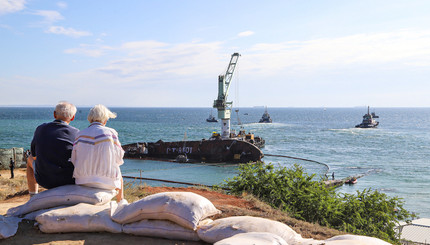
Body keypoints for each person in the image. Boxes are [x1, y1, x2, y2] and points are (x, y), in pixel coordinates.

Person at [71, 104, 124, 202]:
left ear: (90, 118)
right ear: (104, 119)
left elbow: (74, 159)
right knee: (119, 175)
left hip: (82, 180)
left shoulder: (79, 134)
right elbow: (119, 158)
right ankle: (121, 203)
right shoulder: (111, 133)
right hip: (107, 181)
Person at [27, 101, 79, 195]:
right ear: (73, 117)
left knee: (29, 159)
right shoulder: (76, 133)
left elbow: (34, 156)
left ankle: (33, 196)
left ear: (54, 114)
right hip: (68, 180)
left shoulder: (40, 129)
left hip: (45, 180)